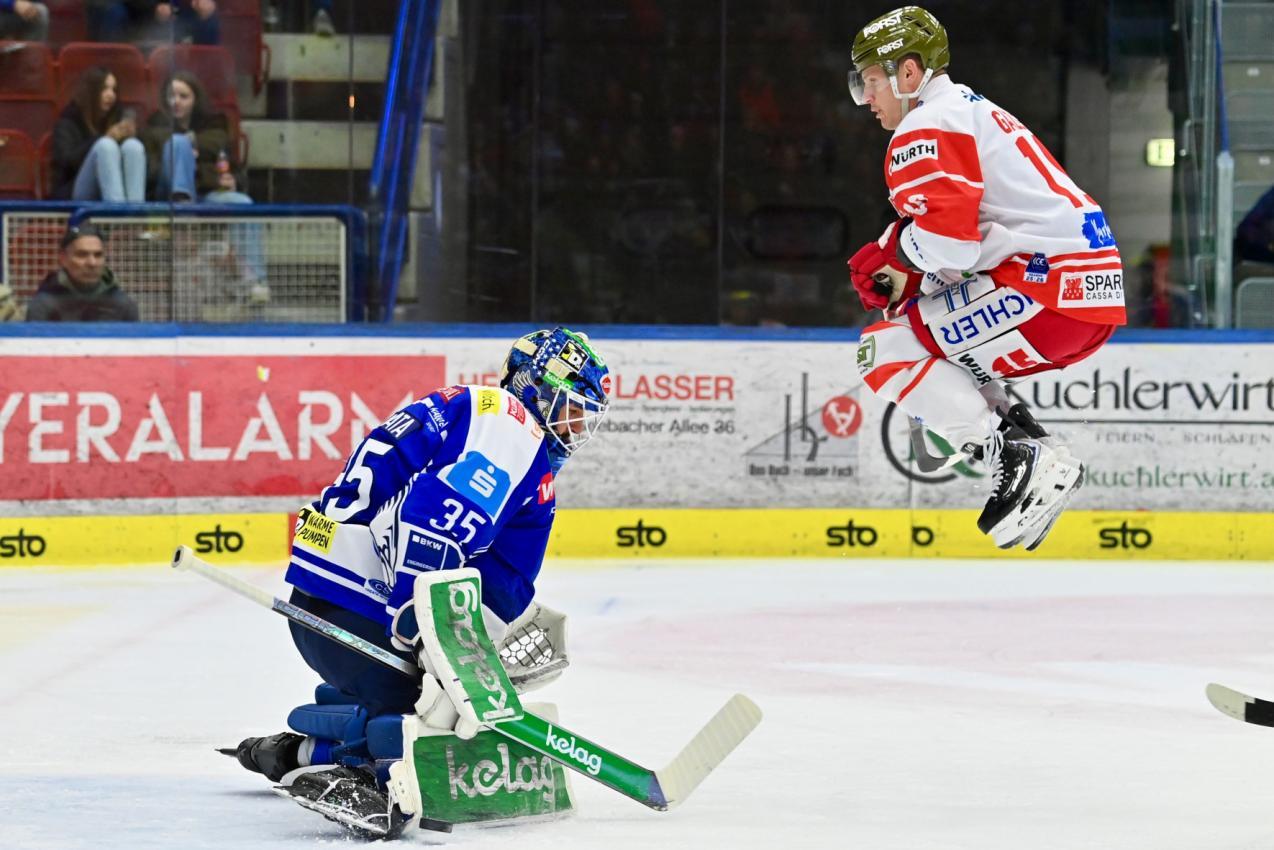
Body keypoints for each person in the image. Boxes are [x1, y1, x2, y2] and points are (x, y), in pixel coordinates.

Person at [218, 328, 611, 834]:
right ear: (534, 386)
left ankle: (300, 749)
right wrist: (423, 627)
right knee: (432, 714)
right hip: (360, 608)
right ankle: (363, 770)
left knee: (436, 703)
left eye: (585, 417)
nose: (575, 426)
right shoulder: (510, 424)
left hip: (339, 604)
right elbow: (432, 520)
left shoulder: (506, 440)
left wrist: (476, 639)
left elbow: (503, 576)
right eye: (568, 407)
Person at [846, 7, 1125, 550]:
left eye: (872, 81)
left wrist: (896, 252)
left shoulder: (923, 125)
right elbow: (969, 243)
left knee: (880, 353)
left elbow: (951, 244)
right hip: (1085, 295)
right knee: (921, 332)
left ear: (909, 74)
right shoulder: (970, 109)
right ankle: (1030, 441)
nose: (867, 98)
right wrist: (912, 272)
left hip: (1047, 293)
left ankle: (1014, 454)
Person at [141, 70, 241, 202]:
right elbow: (151, 173)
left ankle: (185, 203)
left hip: (207, 192)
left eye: (183, 96)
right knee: (179, 142)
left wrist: (232, 181)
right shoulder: (155, 127)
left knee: (242, 202)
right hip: (165, 196)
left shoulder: (214, 126)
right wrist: (182, 156)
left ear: (196, 100)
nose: (176, 101)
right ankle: (182, 202)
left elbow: (233, 167)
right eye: (171, 96)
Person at [51, 66, 146, 202]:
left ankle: (136, 215)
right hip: (76, 191)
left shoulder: (117, 117)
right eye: (104, 89)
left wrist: (133, 135)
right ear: (91, 92)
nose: (110, 95)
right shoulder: (69, 120)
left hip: (120, 191)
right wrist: (105, 138)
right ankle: (116, 215)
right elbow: (66, 164)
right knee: (105, 146)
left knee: (133, 146)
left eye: (114, 90)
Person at [26, 224, 140, 321]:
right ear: (63, 259)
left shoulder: (124, 305)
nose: (92, 263)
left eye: (98, 255)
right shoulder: (43, 305)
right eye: (82, 255)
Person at [87, 0, 219, 45]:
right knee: (113, 12)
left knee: (209, 20)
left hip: (174, 24)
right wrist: (152, 9)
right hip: (132, 25)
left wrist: (205, 11)